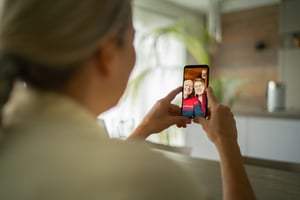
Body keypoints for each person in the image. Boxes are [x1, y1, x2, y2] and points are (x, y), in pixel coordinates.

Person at [0, 0, 255, 200]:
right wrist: (226, 142)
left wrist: (144, 129)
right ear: (107, 51)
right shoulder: (149, 178)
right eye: (133, 40)